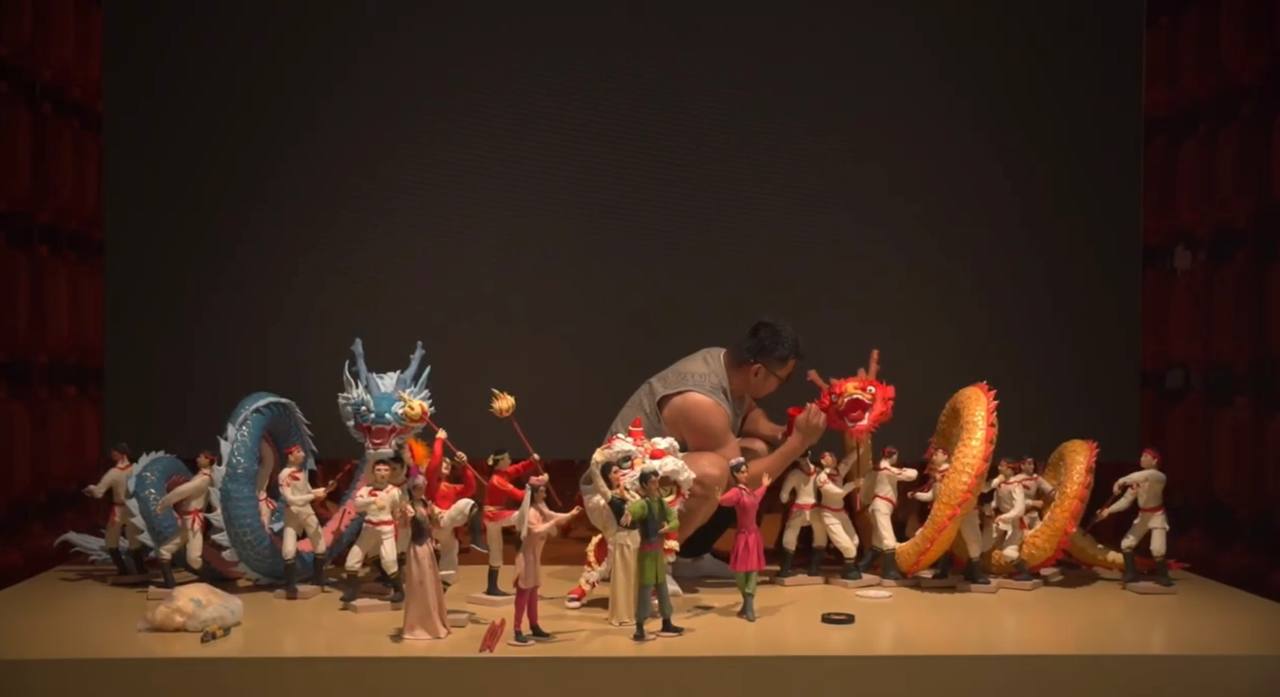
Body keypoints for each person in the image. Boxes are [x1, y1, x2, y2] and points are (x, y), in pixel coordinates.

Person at [605, 319, 827, 581]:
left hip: (653, 474)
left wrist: (778, 433)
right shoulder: (700, 402)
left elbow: (747, 412)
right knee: (713, 473)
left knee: (756, 449)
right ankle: (647, 564)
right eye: (783, 379)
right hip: (618, 496)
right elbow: (739, 481)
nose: (781, 386)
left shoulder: (724, 364)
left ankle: (689, 556)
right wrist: (798, 443)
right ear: (757, 372)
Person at [510, 475, 582, 645]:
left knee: (533, 592)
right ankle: (517, 629)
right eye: (542, 491)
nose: (545, 494)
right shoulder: (530, 513)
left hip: (535, 556)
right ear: (535, 494)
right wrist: (554, 522)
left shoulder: (541, 508)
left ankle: (534, 625)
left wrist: (570, 514)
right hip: (526, 557)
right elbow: (536, 530)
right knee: (523, 593)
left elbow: (552, 515)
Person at [411, 429, 479, 589]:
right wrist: (439, 440)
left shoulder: (452, 488)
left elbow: (470, 488)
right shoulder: (429, 483)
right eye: (444, 462)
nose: (446, 464)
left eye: (449, 463)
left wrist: (465, 466)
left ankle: (445, 582)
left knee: (451, 549)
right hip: (436, 522)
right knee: (467, 503)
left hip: (447, 529)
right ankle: (476, 538)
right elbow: (434, 465)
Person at [1095, 448, 1172, 586]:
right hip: (1143, 516)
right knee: (1127, 544)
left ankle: (1163, 575)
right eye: (1142, 456)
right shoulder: (1137, 481)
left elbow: (1145, 475)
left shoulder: (1159, 477)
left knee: (1157, 549)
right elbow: (1126, 500)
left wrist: (1120, 481)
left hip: (1157, 516)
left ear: (1155, 461)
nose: (1142, 458)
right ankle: (1131, 573)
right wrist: (1108, 510)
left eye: (1146, 456)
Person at [341, 459, 411, 605]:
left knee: (389, 561)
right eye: (379, 470)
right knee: (353, 559)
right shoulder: (366, 490)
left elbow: (399, 508)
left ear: (390, 473)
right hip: (368, 529)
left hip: (386, 529)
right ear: (373, 472)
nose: (382, 473)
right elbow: (357, 505)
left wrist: (405, 512)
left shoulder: (394, 491)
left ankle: (399, 591)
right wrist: (372, 501)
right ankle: (352, 590)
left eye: (385, 470)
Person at [626, 469, 683, 642]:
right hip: (646, 553)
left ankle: (667, 622)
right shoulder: (643, 504)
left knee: (662, 588)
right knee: (645, 589)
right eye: (652, 482)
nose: (656, 485)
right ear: (644, 485)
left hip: (657, 551)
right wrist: (629, 513)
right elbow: (634, 509)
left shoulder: (660, 503)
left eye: (657, 481)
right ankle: (640, 627)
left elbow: (674, 518)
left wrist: (669, 526)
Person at [482, 449, 542, 596]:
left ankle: (491, 587)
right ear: (500, 462)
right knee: (520, 516)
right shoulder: (498, 481)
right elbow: (519, 495)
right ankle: (521, 539)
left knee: (496, 551)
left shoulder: (503, 474)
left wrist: (531, 461)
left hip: (494, 515)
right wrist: (535, 485)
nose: (510, 461)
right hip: (493, 516)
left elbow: (518, 468)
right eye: (507, 459)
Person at [717, 458, 770, 622]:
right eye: (742, 472)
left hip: (753, 536)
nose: (745, 474)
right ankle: (747, 602)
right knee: (740, 572)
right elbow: (723, 500)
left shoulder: (749, 492)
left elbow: (757, 498)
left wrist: (764, 486)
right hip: (742, 536)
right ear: (735, 474)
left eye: (746, 471)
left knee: (753, 570)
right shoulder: (737, 492)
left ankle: (749, 605)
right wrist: (718, 497)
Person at [83, 443, 147, 576]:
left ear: (121, 454)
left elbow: (98, 492)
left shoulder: (114, 473)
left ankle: (125, 570)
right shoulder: (136, 470)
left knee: (113, 541)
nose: (112, 455)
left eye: (114, 452)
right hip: (132, 509)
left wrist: (91, 489)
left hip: (121, 509)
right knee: (133, 540)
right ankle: (139, 570)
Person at [154, 451, 216, 588]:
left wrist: (163, 503)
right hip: (188, 520)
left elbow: (181, 491)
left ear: (208, 460)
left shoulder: (204, 479)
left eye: (201, 457)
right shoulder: (201, 476)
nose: (197, 458)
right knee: (165, 551)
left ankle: (209, 582)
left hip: (194, 521)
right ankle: (170, 585)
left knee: (193, 558)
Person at [277, 445, 331, 597]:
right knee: (289, 549)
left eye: (301, 451)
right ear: (290, 456)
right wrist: (313, 496)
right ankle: (290, 585)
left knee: (320, 545)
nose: (302, 454)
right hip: (293, 514)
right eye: (298, 452)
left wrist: (324, 490)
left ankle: (318, 580)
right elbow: (291, 499)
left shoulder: (302, 472)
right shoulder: (284, 475)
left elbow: (308, 491)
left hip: (307, 512)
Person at [401, 476, 450, 640]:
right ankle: (417, 624)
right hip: (417, 548)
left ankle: (433, 621)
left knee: (430, 583)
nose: (420, 490)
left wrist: (433, 515)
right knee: (419, 584)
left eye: (422, 487)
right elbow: (403, 525)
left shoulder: (426, 504)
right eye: (416, 488)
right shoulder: (409, 506)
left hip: (427, 546)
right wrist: (405, 516)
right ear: (411, 489)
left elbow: (437, 525)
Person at [858, 446, 917, 579]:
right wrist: (905, 469)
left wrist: (867, 502)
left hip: (876, 506)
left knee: (878, 542)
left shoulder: (874, 471)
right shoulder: (887, 470)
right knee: (889, 540)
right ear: (893, 456)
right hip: (882, 507)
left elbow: (865, 491)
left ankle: (862, 566)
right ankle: (889, 571)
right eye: (896, 455)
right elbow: (912, 476)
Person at [813, 451, 862, 580]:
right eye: (829, 457)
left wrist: (860, 448)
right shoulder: (822, 478)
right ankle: (849, 571)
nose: (833, 458)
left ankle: (848, 567)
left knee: (854, 541)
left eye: (834, 456)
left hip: (841, 513)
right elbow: (837, 493)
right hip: (829, 515)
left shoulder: (838, 472)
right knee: (847, 547)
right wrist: (853, 484)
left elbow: (847, 462)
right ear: (823, 461)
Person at [776, 451, 822, 577]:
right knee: (790, 537)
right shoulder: (799, 474)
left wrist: (785, 498)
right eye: (802, 458)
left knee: (818, 536)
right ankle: (786, 569)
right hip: (807, 509)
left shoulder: (799, 473)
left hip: (807, 508)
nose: (804, 461)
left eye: (804, 457)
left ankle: (812, 568)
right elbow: (784, 495)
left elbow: (783, 496)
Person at [991, 458, 1035, 581]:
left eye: (1003, 466)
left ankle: (1025, 571)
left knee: (1008, 551)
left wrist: (1005, 516)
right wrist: (988, 508)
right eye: (999, 466)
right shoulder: (1000, 484)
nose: (999, 468)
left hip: (1015, 524)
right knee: (986, 543)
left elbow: (1019, 509)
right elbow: (996, 502)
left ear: (1010, 469)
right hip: (1002, 521)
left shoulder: (1016, 485)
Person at [1018, 456, 1054, 530]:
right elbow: (1013, 501)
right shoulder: (1015, 480)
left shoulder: (1035, 478)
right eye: (1029, 464)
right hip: (1020, 515)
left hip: (1033, 514)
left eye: (1033, 464)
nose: (1032, 466)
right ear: (1022, 466)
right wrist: (1032, 503)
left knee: (1042, 532)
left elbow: (1050, 491)